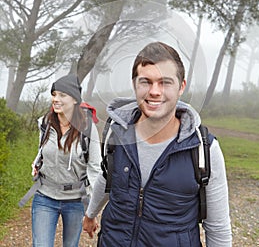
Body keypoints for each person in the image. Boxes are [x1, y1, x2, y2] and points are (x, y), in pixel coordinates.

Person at [83, 41, 232, 246]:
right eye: (146, 81)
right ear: (135, 84)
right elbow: (106, 177)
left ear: (181, 87)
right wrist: (90, 213)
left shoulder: (203, 149)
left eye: (165, 82)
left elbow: (218, 228)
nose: (154, 91)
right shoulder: (116, 134)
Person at [31, 74, 101, 247]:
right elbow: (42, 150)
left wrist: (92, 211)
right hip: (45, 196)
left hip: (75, 200)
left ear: (75, 100)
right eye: (54, 94)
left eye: (62, 95)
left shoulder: (87, 128)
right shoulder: (45, 123)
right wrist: (36, 163)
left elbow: (95, 168)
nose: (56, 99)